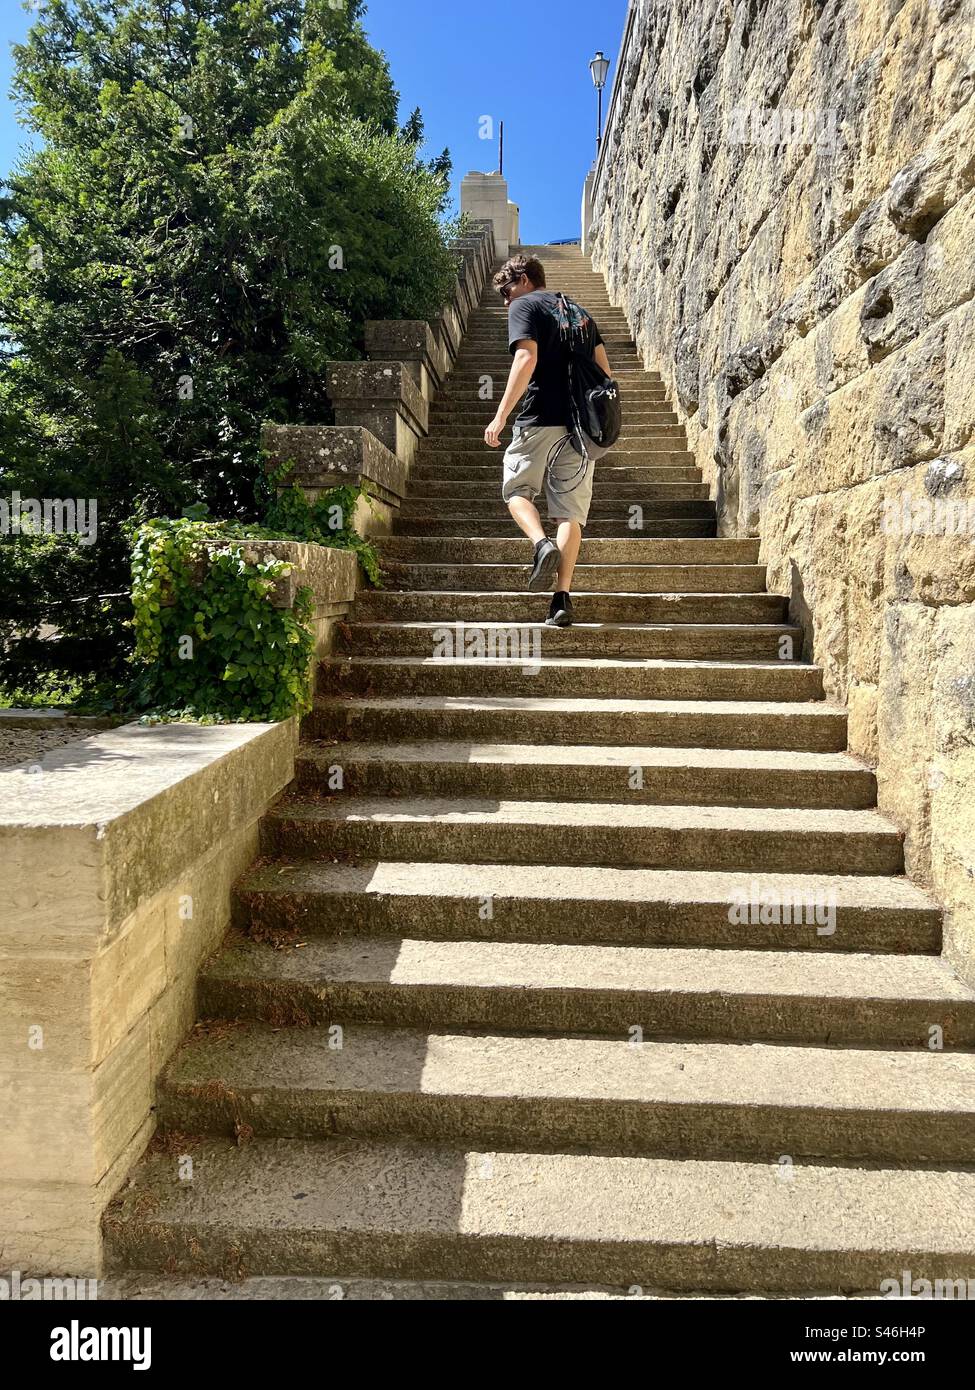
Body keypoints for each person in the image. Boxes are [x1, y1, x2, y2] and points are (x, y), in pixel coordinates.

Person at [484, 254, 612, 627]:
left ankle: (541, 544)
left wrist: (500, 415)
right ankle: (561, 601)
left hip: (539, 417)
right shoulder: (581, 313)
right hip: (580, 428)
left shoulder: (526, 305)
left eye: (507, 292)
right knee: (570, 513)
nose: (507, 302)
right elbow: (605, 374)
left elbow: (525, 358)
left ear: (524, 280)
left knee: (517, 491)